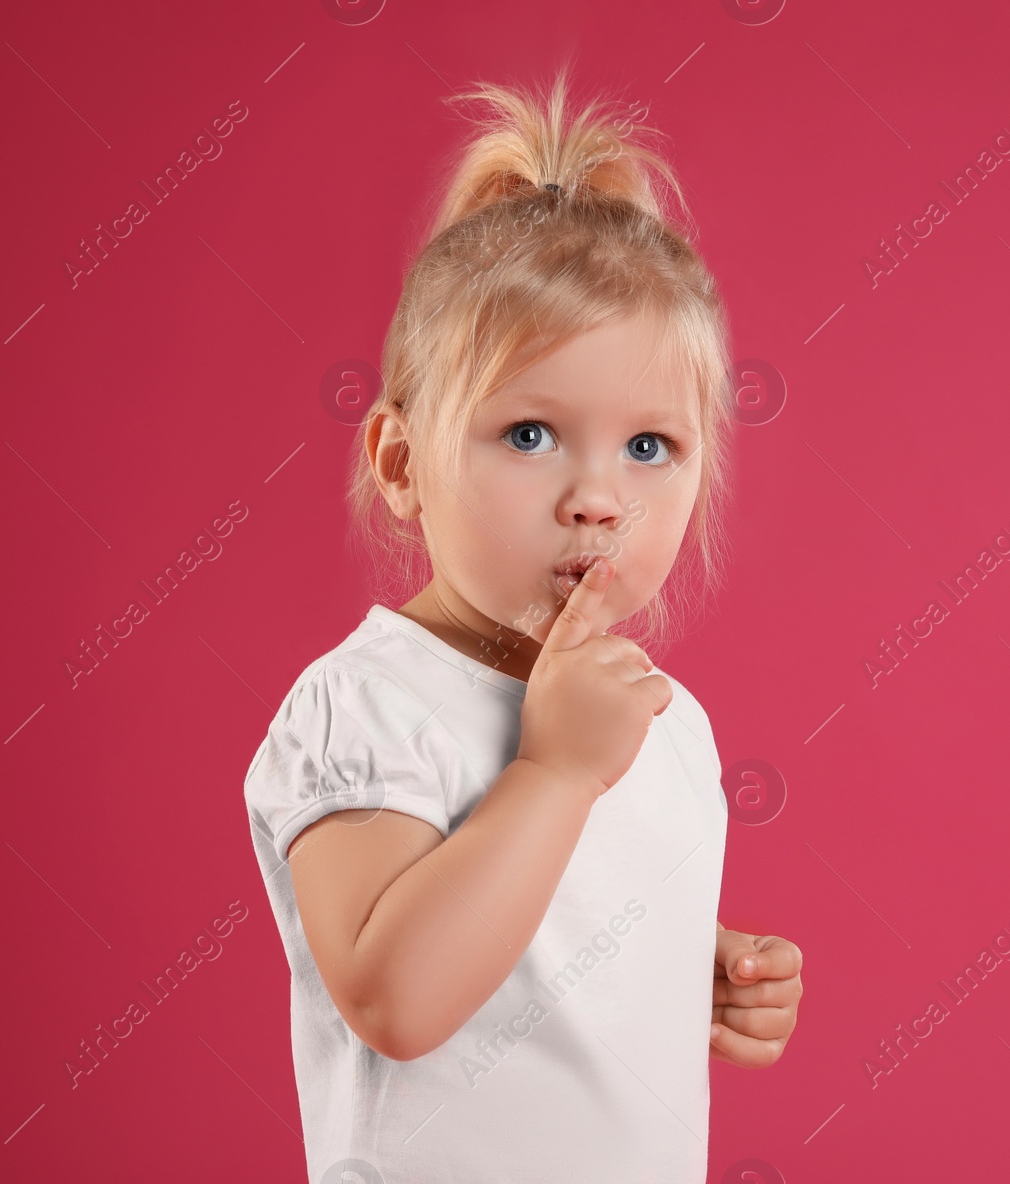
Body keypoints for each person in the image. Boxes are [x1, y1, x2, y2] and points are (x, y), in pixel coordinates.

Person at [242, 68, 802, 1183]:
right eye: (531, 433)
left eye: (649, 447)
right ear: (403, 463)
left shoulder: (662, 719)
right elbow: (398, 996)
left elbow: (550, 952)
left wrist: (685, 969)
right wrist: (552, 772)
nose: (599, 496)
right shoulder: (368, 703)